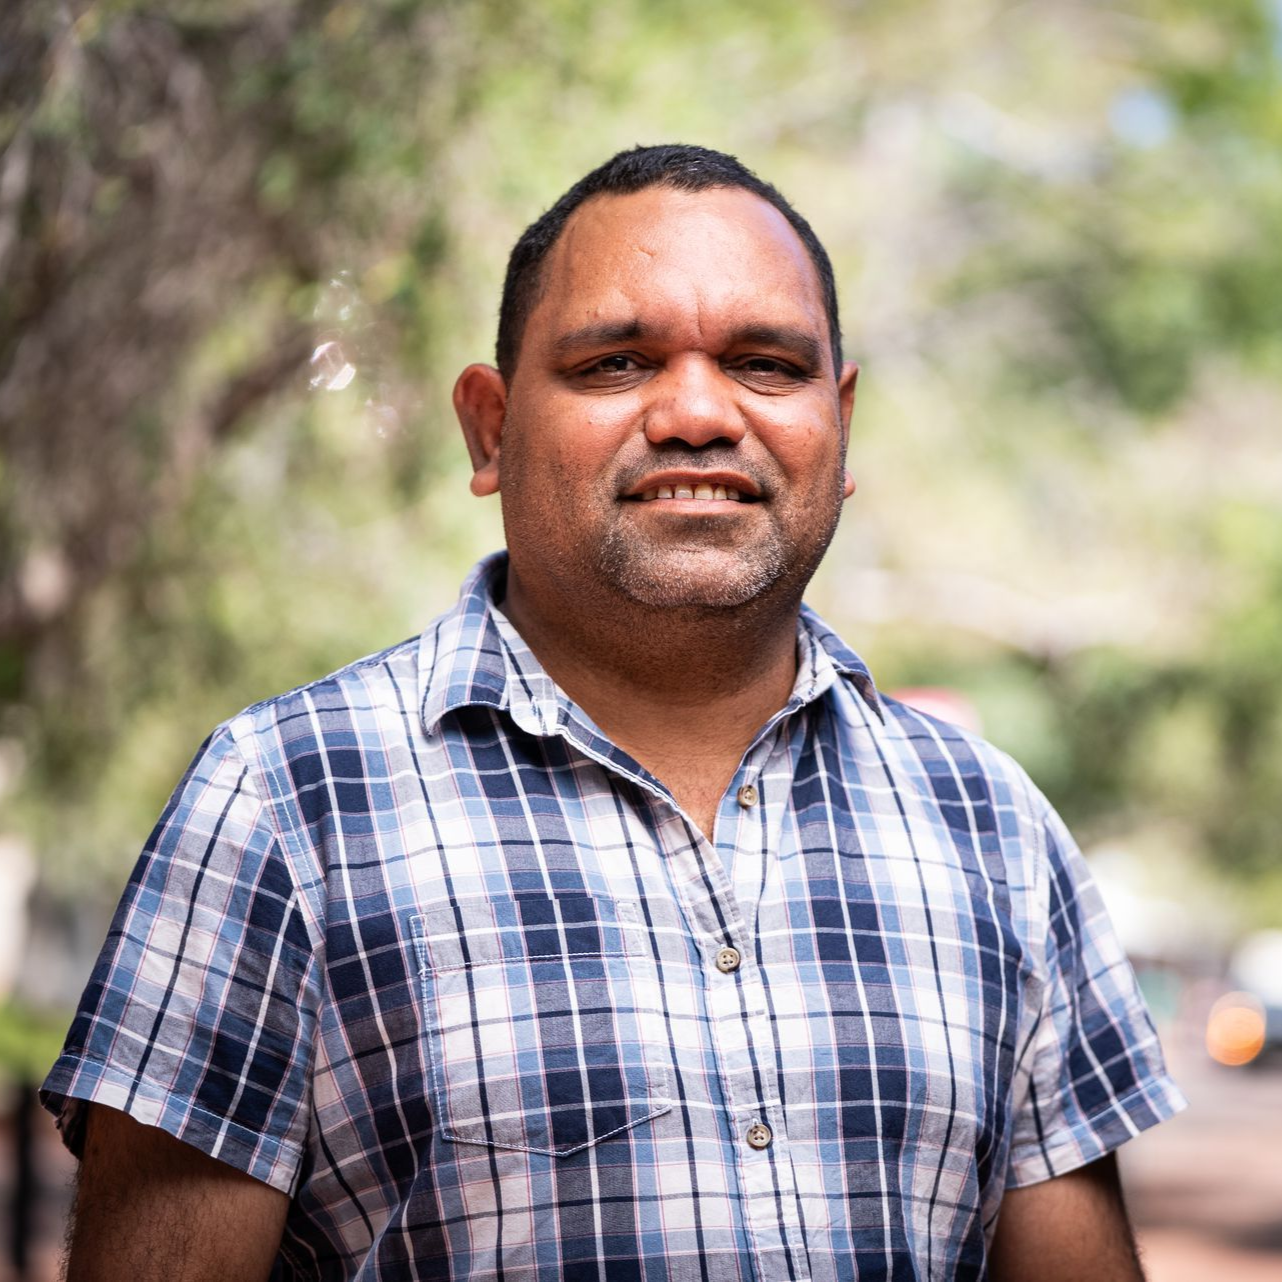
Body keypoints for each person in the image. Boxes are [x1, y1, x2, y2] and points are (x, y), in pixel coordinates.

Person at [43, 143, 1184, 1281]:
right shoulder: (285, 805)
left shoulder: (993, 828)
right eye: (616, 362)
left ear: (839, 430)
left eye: (765, 364)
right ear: (489, 430)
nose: (696, 412)